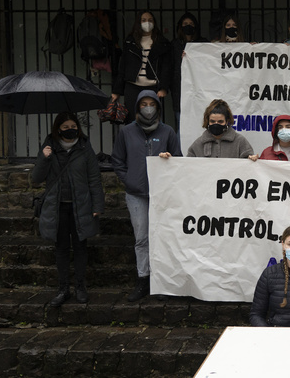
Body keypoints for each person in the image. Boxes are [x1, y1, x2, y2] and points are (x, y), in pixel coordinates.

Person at [111, 90, 181, 301]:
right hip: (136, 194)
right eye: (144, 104)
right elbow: (117, 161)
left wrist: (168, 160)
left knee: (163, 237)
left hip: (162, 194)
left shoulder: (168, 131)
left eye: (152, 104)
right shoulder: (126, 132)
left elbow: (178, 160)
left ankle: (162, 282)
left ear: (158, 108)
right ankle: (143, 279)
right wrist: (130, 180)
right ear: (137, 107)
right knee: (142, 238)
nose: (148, 107)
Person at [31, 113, 104, 307]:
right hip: (58, 207)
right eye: (65, 127)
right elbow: (37, 178)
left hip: (81, 206)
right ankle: (63, 289)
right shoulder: (49, 147)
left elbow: (94, 178)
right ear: (58, 129)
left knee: (80, 247)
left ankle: (80, 287)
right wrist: (44, 158)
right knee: (61, 248)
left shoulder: (84, 147)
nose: (70, 129)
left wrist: (97, 205)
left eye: (73, 125)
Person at [111, 10, 172, 123]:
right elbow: (123, 67)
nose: (147, 23)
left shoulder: (162, 42)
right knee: (132, 120)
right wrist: (117, 90)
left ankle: (150, 141)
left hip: (153, 88)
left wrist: (163, 88)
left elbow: (166, 68)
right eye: (143, 20)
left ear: (154, 22)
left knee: (152, 119)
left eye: (150, 20)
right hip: (132, 86)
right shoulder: (130, 42)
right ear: (138, 23)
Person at [171, 12, 208, 131]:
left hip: (200, 89)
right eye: (185, 23)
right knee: (182, 124)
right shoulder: (175, 45)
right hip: (180, 90)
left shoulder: (203, 43)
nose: (188, 26)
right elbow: (170, 66)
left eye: (191, 23)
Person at [186, 99, 253, 158]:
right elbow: (189, 166)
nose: (216, 124)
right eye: (212, 121)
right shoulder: (198, 144)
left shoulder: (240, 142)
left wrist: (251, 159)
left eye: (220, 121)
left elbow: (248, 166)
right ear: (208, 121)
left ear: (227, 121)